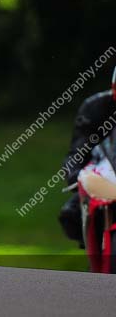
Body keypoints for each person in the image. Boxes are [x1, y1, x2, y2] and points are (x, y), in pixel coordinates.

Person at [58, 68, 116, 245]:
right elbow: (77, 152)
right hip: (108, 181)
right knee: (72, 214)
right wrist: (79, 177)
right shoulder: (95, 109)